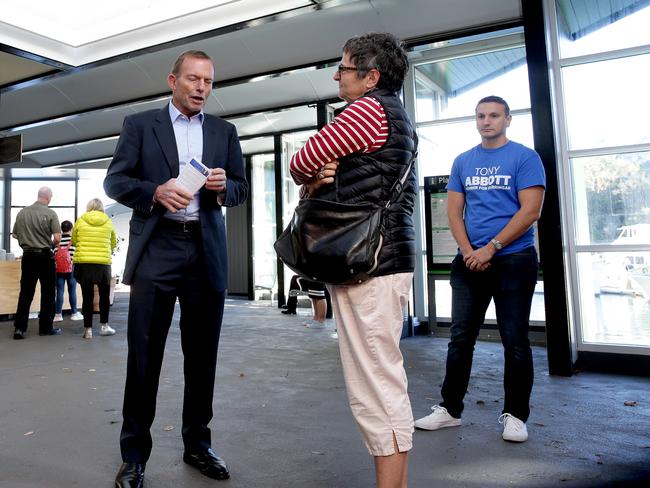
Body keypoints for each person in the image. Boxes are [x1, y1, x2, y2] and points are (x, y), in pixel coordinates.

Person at [104, 49, 248, 488]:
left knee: (202, 357)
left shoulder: (224, 131)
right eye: (193, 80)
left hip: (205, 251)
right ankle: (134, 455)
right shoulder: (140, 125)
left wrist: (226, 189)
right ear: (172, 80)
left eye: (208, 81)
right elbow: (115, 181)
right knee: (144, 356)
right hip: (159, 249)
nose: (201, 88)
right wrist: (155, 192)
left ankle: (197, 445)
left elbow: (241, 188)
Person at [288, 33, 417, 488]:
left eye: (343, 68)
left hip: (370, 267)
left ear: (371, 76)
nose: (336, 75)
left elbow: (302, 161)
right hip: (384, 260)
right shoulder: (395, 116)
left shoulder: (367, 109)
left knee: (375, 385)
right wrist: (328, 172)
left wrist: (319, 172)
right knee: (380, 376)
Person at [414, 95, 546, 443]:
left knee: (514, 340)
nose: (486, 121)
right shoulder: (464, 161)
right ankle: (449, 409)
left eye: (494, 115)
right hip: (470, 262)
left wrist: (492, 247)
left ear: (507, 119)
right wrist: (469, 251)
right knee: (460, 339)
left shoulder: (525, 158)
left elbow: (530, 211)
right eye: (481, 116)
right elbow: (454, 212)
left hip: (514, 260)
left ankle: (516, 415)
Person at [11, 186, 62, 339]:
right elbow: (58, 238)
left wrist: (27, 240)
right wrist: (50, 245)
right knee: (47, 293)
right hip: (45, 257)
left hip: (28, 257)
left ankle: (19, 329)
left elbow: (14, 235)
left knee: (26, 293)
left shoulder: (22, 213)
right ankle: (45, 328)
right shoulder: (51, 213)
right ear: (48, 197)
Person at [71, 199, 117, 339]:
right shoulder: (108, 222)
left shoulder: (80, 220)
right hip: (102, 264)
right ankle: (104, 326)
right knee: (104, 297)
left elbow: (74, 240)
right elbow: (113, 243)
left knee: (87, 297)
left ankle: (88, 330)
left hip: (84, 264)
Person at [53, 220, 84, 322]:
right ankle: (74, 313)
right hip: (71, 269)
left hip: (59, 269)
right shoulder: (73, 241)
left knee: (60, 291)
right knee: (72, 291)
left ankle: (58, 315)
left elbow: (54, 254)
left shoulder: (57, 241)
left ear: (61, 229)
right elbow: (77, 254)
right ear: (71, 229)